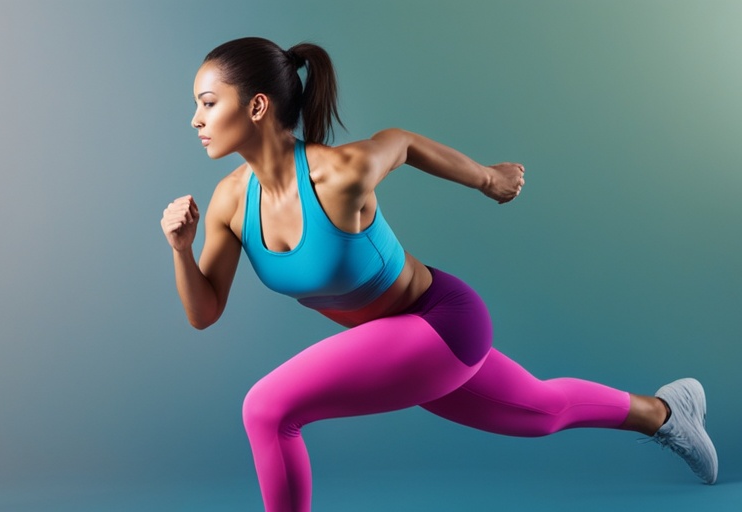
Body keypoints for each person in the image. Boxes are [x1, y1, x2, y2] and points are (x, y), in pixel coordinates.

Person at [160, 37, 717, 512]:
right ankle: (667, 412)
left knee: (267, 407)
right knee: (542, 412)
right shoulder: (231, 201)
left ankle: (667, 413)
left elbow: (400, 143)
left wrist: (488, 179)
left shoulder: (339, 175)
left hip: (443, 322)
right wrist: (182, 249)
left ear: (256, 107)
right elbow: (204, 312)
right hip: (395, 345)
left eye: (208, 103)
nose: (196, 119)